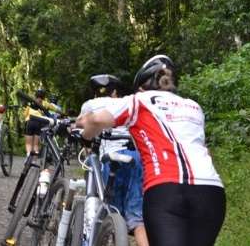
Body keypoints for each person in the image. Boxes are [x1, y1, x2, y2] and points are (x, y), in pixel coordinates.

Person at [76, 55, 226, 246]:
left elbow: (95, 120)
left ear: (141, 86)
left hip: (166, 190)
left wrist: (85, 137)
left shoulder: (140, 100)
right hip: (211, 192)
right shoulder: (194, 107)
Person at [79, 74, 149, 246]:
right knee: (137, 219)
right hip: (137, 158)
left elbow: (82, 125)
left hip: (111, 158)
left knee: (108, 211)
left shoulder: (89, 104)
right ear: (115, 91)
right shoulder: (125, 101)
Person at [21, 88, 62, 156]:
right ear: (44, 96)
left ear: (36, 95)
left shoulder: (31, 102)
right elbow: (55, 109)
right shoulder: (45, 103)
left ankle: (28, 157)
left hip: (29, 121)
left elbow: (25, 114)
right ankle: (34, 160)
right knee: (36, 143)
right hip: (38, 122)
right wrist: (63, 113)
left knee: (28, 142)